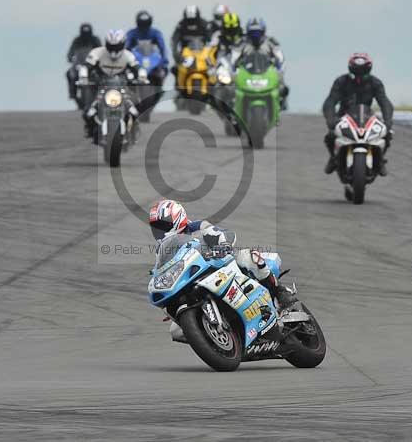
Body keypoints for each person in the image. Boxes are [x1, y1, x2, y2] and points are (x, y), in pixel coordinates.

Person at [148, 199, 297, 308]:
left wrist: (223, 245)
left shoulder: (198, 227)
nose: (159, 231)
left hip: (220, 262)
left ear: (178, 219)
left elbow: (224, 234)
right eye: (156, 227)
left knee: (250, 257)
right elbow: (161, 268)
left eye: (162, 226)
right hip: (193, 276)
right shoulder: (162, 248)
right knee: (175, 330)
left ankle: (280, 291)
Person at [322, 53, 393, 175]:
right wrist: (331, 119)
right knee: (330, 135)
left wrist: (387, 120)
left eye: (362, 73)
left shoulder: (375, 83)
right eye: (356, 73)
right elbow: (330, 101)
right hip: (344, 116)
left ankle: (380, 160)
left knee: (387, 134)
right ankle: (334, 158)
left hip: (368, 117)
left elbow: (384, 102)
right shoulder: (341, 82)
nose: (359, 77)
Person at [81, 30, 141, 136]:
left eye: (117, 47)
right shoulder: (97, 53)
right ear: (106, 44)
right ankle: (90, 128)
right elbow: (86, 66)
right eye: (111, 47)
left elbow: (137, 69)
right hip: (100, 86)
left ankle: (133, 128)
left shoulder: (129, 56)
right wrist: (84, 77)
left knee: (135, 110)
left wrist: (141, 77)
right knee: (88, 112)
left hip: (121, 87)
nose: (114, 51)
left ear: (123, 44)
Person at [236, 18, 289, 110]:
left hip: (266, 71)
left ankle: (281, 103)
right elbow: (233, 58)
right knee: (231, 88)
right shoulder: (242, 43)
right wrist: (233, 71)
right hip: (246, 72)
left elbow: (280, 58)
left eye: (257, 33)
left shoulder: (271, 42)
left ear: (263, 32)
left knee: (282, 86)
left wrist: (280, 71)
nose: (255, 36)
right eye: (252, 33)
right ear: (248, 33)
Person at [125, 10, 169, 86]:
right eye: (142, 24)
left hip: (152, 61)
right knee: (127, 75)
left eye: (146, 24)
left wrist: (163, 60)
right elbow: (126, 48)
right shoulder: (132, 33)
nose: (144, 27)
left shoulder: (155, 33)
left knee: (163, 72)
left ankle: (159, 88)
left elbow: (162, 48)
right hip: (137, 62)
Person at [66, 23, 102, 103]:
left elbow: (100, 50)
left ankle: (101, 92)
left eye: (87, 33)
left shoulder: (95, 40)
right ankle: (72, 93)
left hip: (92, 65)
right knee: (69, 74)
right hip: (79, 64)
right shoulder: (77, 40)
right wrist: (70, 57)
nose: (86, 35)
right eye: (84, 33)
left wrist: (99, 59)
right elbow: (71, 51)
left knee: (101, 75)